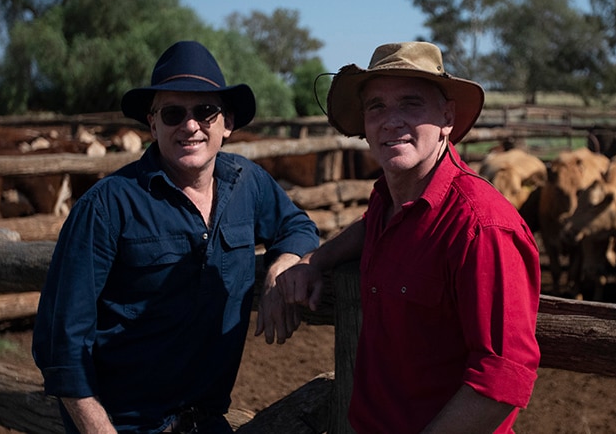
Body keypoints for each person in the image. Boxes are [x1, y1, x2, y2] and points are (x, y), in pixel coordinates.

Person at [32, 40, 319, 433]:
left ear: (227, 123)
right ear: (152, 124)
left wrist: (280, 266)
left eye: (205, 111)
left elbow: (297, 226)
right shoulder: (107, 206)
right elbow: (60, 342)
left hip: (207, 423)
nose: (190, 125)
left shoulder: (246, 183)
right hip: (127, 425)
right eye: (172, 114)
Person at [276, 41, 541, 433]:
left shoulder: (482, 227)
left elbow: (502, 380)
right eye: (376, 106)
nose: (391, 120)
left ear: (447, 118)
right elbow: (371, 228)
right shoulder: (389, 202)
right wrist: (316, 259)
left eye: (411, 103)